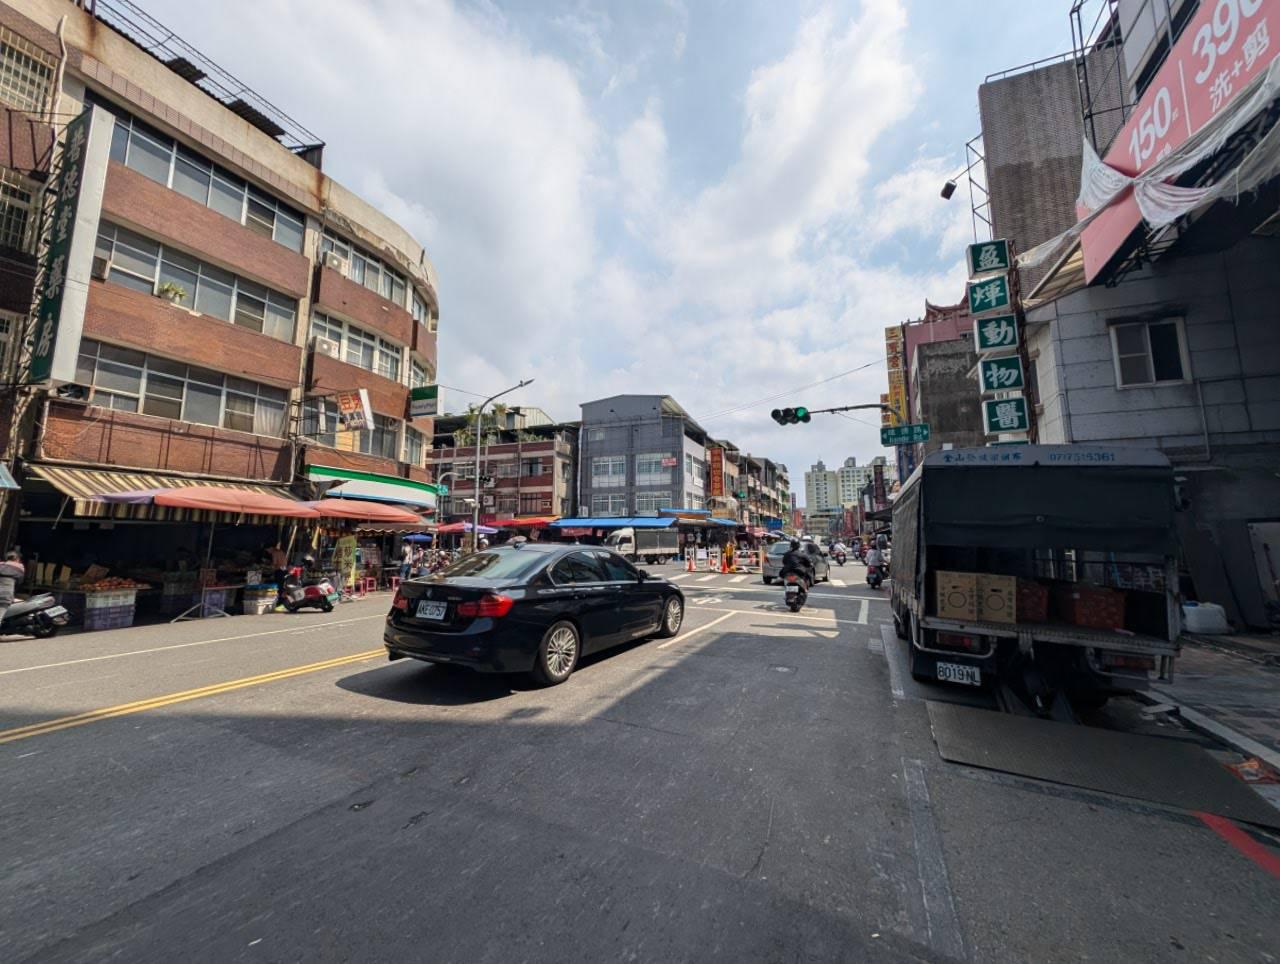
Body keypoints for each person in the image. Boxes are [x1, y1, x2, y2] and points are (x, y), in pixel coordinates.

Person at [0, 549, 25, 626]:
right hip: (6, 595)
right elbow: (19, 582)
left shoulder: (1, 565)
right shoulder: (19, 568)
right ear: (17, 559)